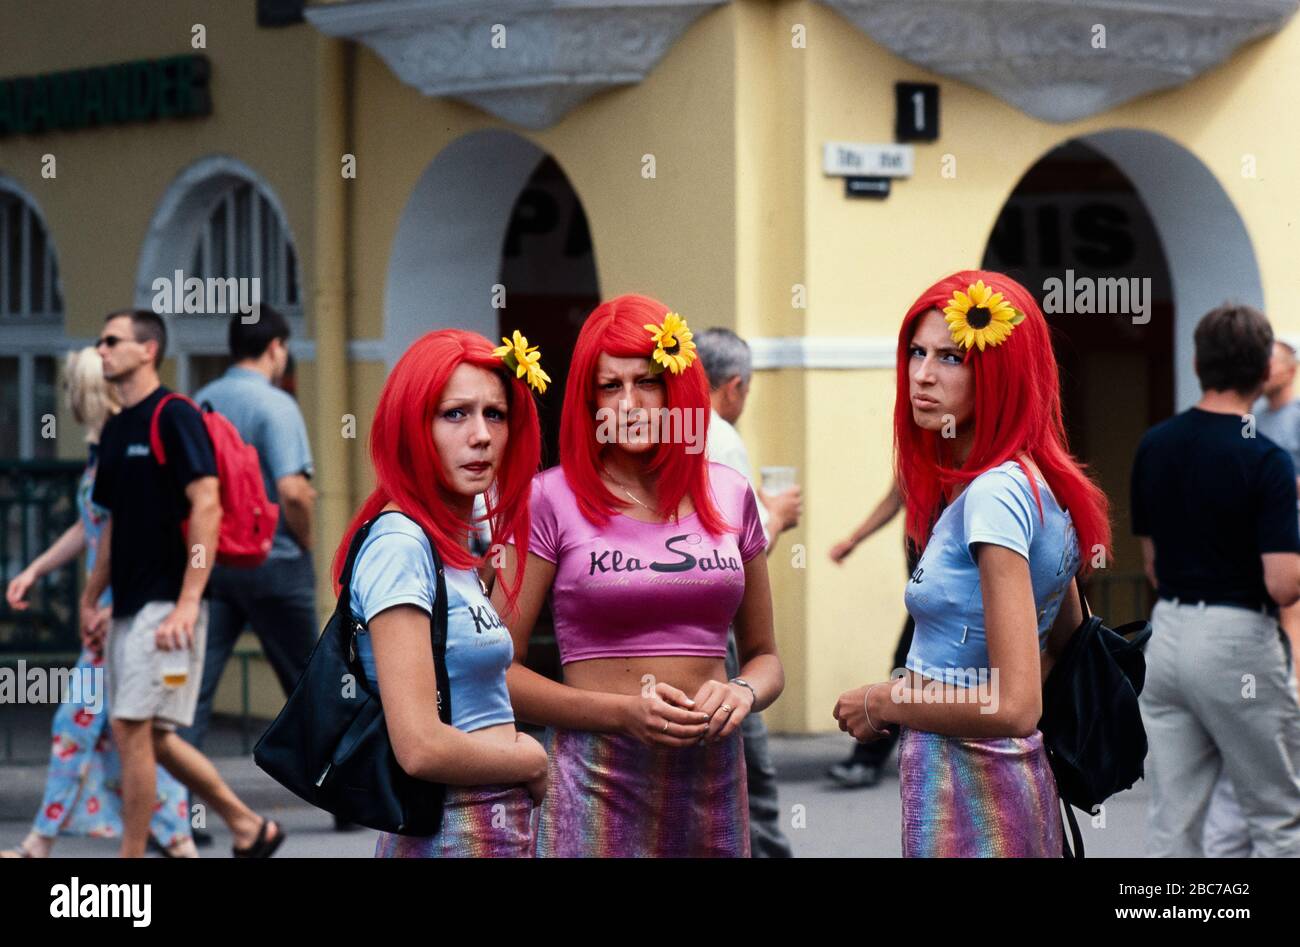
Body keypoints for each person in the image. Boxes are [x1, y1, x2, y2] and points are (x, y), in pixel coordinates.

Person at [495, 295, 784, 857]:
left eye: (647, 382)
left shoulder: (729, 492)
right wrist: (623, 713)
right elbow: (499, 672)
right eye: (609, 386)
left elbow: (766, 657)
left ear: (676, 389)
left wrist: (743, 691)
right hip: (598, 785)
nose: (629, 403)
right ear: (589, 401)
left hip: (714, 782)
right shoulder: (549, 500)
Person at [834, 271, 1110, 858]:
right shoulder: (1034, 483)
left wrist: (882, 701)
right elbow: (1062, 644)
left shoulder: (993, 495)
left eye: (952, 357)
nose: (923, 374)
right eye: (916, 352)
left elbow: (1016, 705)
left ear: (1000, 374)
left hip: (973, 782)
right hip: (1005, 777)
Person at [335, 328, 550, 858]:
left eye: (494, 415)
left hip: (490, 827)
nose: (480, 435)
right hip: (451, 831)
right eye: (455, 414)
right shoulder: (401, 545)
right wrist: (530, 759)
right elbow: (420, 746)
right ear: (413, 428)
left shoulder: (444, 545)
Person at [82, 309, 284, 858]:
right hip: (128, 606)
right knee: (157, 738)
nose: (100, 350)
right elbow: (113, 525)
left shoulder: (175, 416)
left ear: (148, 350)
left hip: (169, 606)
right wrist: (91, 598)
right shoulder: (119, 427)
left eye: (111, 340)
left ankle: (130, 859)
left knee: (130, 728)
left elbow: (207, 504)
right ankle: (248, 826)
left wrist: (189, 603)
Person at [2, 348, 194, 859]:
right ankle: (181, 840)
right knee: (133, 736)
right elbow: (90, 524)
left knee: (91, 726)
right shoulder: (106, 447)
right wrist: (37, 569)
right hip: (112, 609)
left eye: (70, 386)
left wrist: (108, 603)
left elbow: (126, 530)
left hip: (121, 610)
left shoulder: (121, 445)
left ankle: (40, 843)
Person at [1131, 303, 1300, 857]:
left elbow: (1153, 565)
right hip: (1237, 643)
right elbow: (1283, 585)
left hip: (1168, 635)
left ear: (1198, 361)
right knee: (1277, 816)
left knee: (1173, 821)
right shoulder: (1269, 460)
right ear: (1260, 370)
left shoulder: (1154, 445)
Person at [180, 307, 318, 752]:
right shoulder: (276, 405)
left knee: (194, 692)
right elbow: (293, 490)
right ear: (276, 348)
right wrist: (307, 541)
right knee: (309, 686)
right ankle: (345, 801)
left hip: (213, 564)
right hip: (274, 561)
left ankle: (177, 809)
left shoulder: (202, 400)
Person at [695, 326, 799, 857]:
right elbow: (736, 556)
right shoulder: (722, 436)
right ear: (733, 386)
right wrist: (777, 517)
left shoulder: (685, 432)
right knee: (752, 778)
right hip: (719, 638)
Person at [825, 484, 917, 789]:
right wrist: (854, 539)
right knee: (908, 670)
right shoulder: (918, 457)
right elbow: (895, 497)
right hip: (923, 590)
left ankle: (867, 759)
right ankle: (868, 759)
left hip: (946, 596)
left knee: (906, 671)